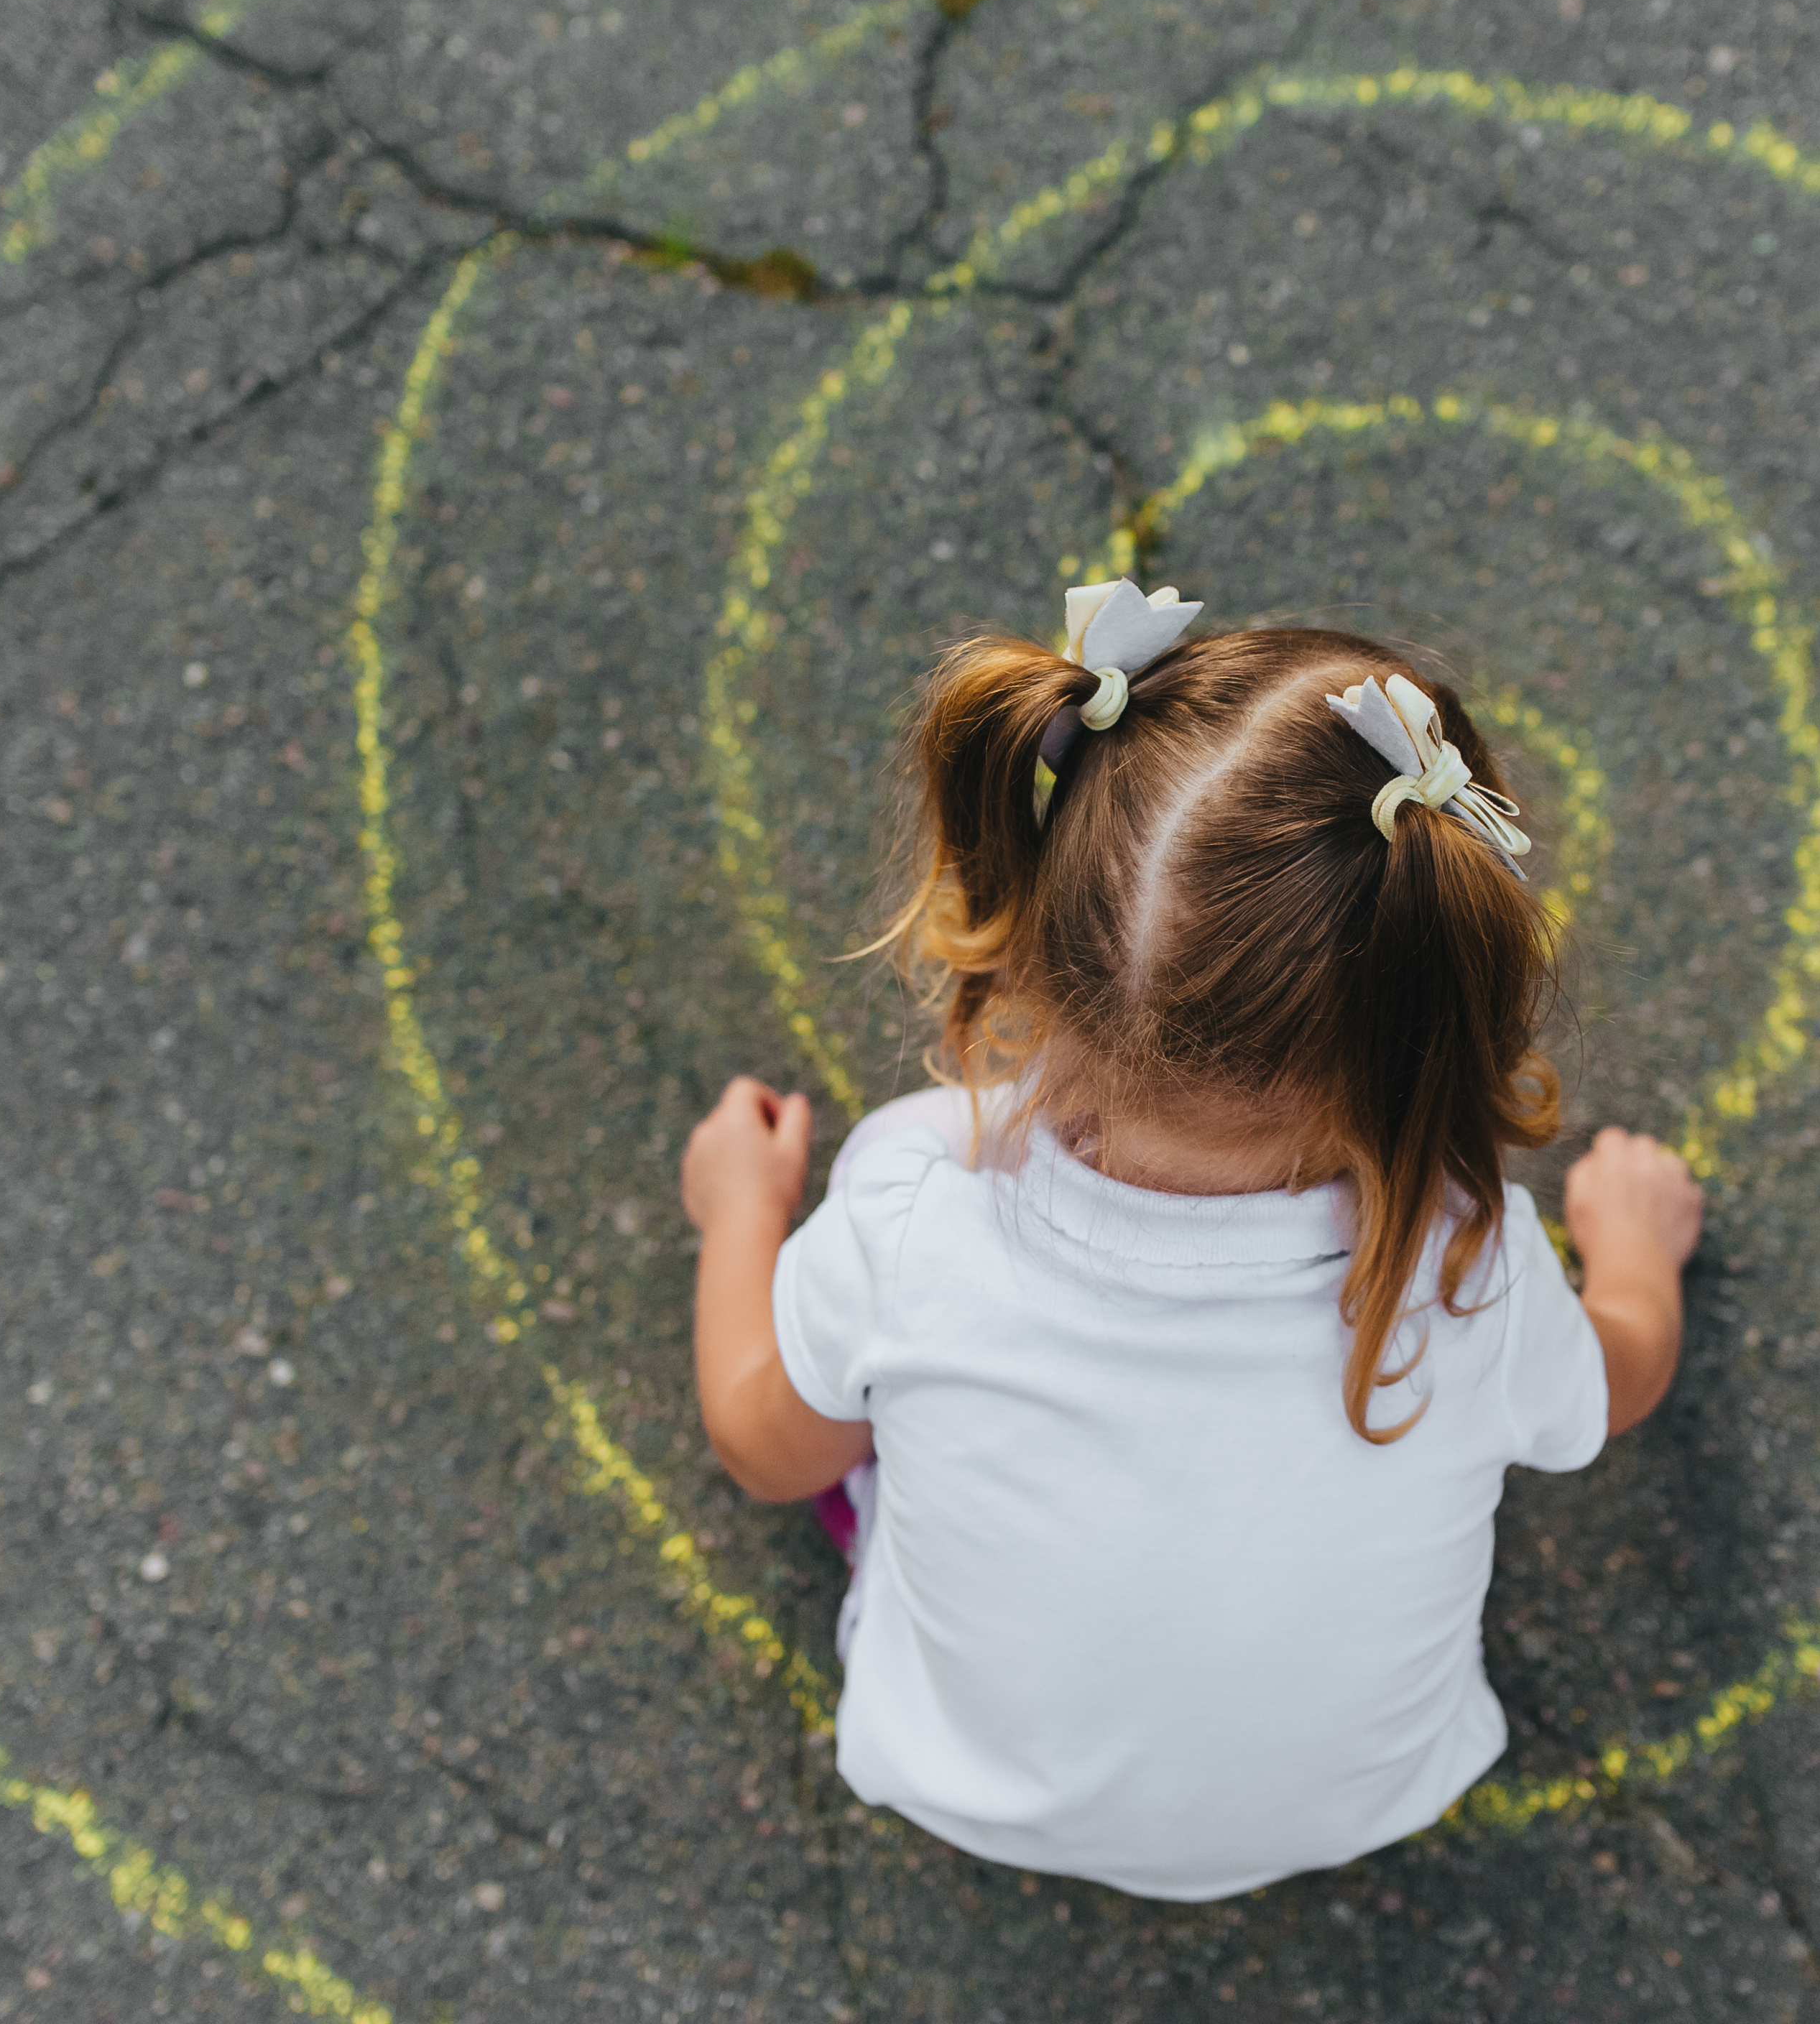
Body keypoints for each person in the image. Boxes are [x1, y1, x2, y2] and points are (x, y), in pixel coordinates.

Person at [679, 578, 1702, 1900]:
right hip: (1364, 1800)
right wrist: (1630, 1259)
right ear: (1432, 1004)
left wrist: (742, 1218)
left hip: (970, 1780)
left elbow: (763, 1450)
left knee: (859, 1416)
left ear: (1041, 957)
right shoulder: (1469, 1262)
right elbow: (1623, 1382)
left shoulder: (919, 1196)